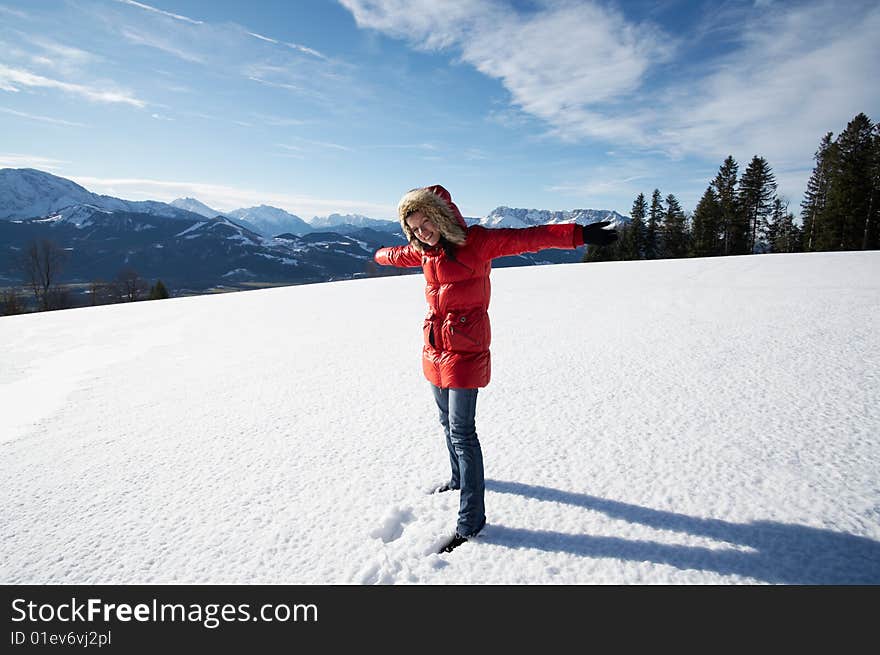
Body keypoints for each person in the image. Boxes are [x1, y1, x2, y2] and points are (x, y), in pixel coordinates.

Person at [373, 185, 617, 553]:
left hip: (467, 349)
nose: (422, 232)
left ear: (439, 217)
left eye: (426, 222)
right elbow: (396, 255)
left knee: (462, 433)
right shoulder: (424, 251)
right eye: (414, 228)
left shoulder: (477, 242)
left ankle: (471, 521)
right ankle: (457, 478)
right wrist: (380, 255)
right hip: (436, 346)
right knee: (445, 423)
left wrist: (579, 234)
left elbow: (530, 238)